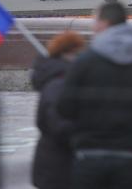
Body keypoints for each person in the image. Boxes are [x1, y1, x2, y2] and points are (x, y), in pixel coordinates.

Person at [57, 1, 132, 189]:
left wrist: (83, 127)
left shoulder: (85, 62)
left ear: (104, 23)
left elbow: (64, 106)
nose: (93, 26)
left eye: (95, 20)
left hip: (88, 156)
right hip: (127, 156)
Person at [31, 31, 85, 189]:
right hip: (58, 166)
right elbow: (59, 125)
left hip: (53, 163)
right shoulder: (59, 83)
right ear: (66, 53)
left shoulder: (58, 80)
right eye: (77, 54)